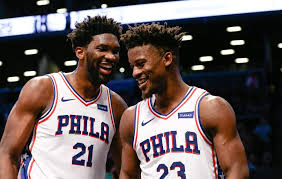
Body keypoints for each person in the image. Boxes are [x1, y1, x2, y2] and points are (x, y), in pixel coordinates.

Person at [0, 15, 127, 179]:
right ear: (80, 52)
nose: (111, 57)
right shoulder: (44, 89)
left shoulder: (116, 106)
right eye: (102, 49)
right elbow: (7, 154)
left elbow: (126, 169)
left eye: (115, 51)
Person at [119, 23, 249, 179]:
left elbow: (237, 171)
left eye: (140, 64)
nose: (135, 73)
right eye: (132, 66)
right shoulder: (131, 118)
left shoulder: (210, 108)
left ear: (167, 59)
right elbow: (128, 174)